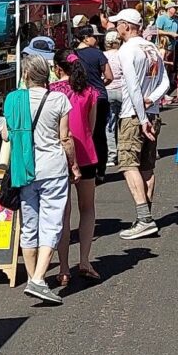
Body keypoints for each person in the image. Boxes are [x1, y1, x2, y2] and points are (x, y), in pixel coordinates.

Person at [3, 53, 80, 305]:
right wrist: (74, 165)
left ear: (25, 75)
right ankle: (38, 280)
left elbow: (5, 134)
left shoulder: (14, 100)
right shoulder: (58, 99)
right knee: (52, 223)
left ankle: (33, 278)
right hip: (53, 168)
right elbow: (65, 138)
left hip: (24, 169)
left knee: (29, 224)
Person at [113, 9, 170, 239]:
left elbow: (133, 86)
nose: (116, 27)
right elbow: (166, 81)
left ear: (127, 26)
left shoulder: (127, 50)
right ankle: (145, 215)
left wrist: (142, 115)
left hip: (133, 114)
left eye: (119, 24)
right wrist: (153, 99)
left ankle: (144, 217)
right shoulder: (152, 47)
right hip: (152, 111)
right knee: (147, 166)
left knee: (128, 163)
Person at [51, 50, 100, 286]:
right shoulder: (89, 92)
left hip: (59, 155)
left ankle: (63, 267)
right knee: (87, 208)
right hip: (86, 154)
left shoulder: (52, 92)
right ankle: (84, 260)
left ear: (57, 68)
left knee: (63, 213)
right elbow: (91, 126)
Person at [73, 25, 113, 184]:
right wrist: (100, 84)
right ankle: (100, 170)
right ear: (86, 38)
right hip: (99, 96)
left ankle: (85, 167)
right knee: (99, 134)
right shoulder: (98, 53)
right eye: (94, 36)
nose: (97, 39)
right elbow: (109, 76)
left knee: (83, 132)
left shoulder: (73, 55)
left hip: (81, 97)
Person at [103, 30, 124, 167]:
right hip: (123, 90)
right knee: (124, 122)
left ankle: (112, 155)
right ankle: (124, 152)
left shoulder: (103, 56)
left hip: (108, 90)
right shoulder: (123, 54)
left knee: (109, 125)